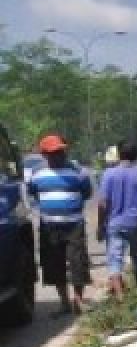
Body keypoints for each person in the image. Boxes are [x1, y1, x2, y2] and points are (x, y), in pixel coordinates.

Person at [26, 134, 92, 314]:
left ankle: (78, 301)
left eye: (61, 151)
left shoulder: (79, 172)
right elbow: (33, 193)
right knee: (54, 265)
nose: (59, 155)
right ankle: (64, 303)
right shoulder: (36, 173)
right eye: (54, 152)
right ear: (45, 155)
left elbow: (86, 193)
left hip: (74, 225)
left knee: (78, 262)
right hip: (49, 226)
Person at [98, 139, 137, 300]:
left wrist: (100, 225)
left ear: (119, 154)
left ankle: (120, 296)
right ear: (136, 155)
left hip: (114, 223)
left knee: (114, 259)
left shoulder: (109, 174)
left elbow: (103, 203)